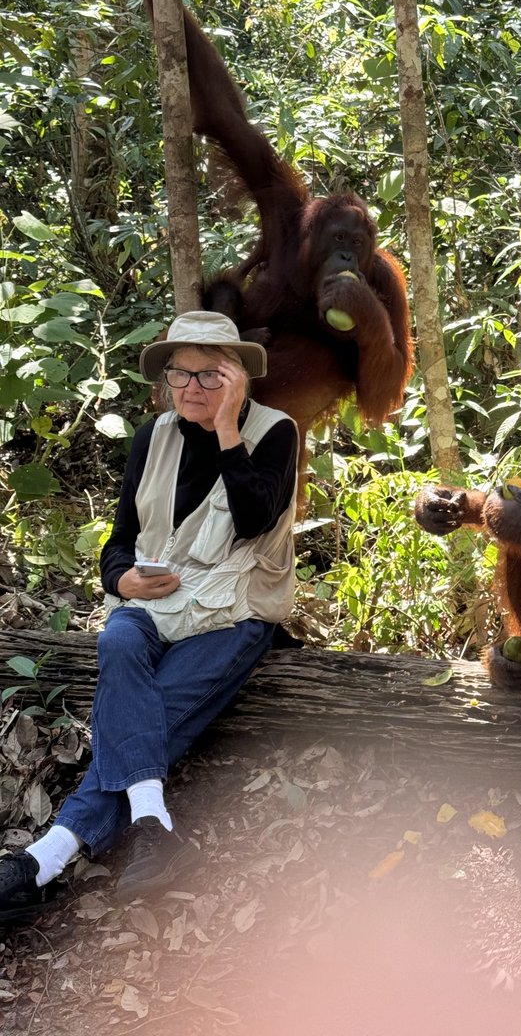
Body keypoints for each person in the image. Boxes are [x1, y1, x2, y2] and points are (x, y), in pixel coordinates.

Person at [0, 311, 298, 923]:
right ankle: (154, 826)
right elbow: (120, 541)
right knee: (117, 642)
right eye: (180, 374)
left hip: (233, 613)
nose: (191, 387)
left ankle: (44, 859)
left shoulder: (275, 432)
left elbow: (255, 517)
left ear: (239, 378)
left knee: (151, 713)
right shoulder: (152, 437)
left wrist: (224, 427)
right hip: (153, 607)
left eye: (210, 375)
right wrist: (123, 578)